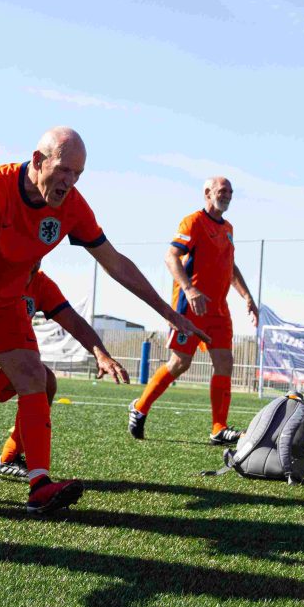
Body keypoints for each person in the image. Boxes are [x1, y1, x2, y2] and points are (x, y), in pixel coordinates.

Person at [0, 128, 201, 515]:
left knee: (36, 377)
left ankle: (39, 485)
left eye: (78, 174)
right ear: (37, 160)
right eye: (63, 170)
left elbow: (115, 263)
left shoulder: (73, 207)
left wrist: (169, 314)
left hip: (4, 307)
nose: (70, 181)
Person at [0, 269, 130, 478]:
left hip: (11, 355)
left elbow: (73, 321)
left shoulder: (42, 284)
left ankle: (11, 456)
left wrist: (101, 354)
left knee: (46, 381)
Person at [125, 177, 260, 445]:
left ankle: (219, 428)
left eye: (231, 192)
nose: (228, 195)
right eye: (223, 191)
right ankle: (139, 407)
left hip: (218, 310)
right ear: (207, 193)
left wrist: (247, 296)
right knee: (180, 363)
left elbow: (230, 266)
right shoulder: (193, 222)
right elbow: (171, 256)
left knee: (225, 362)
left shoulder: (228, 229)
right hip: (191, 308)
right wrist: (189, 289)